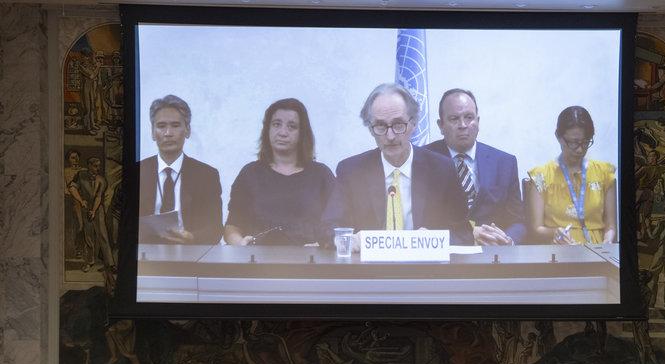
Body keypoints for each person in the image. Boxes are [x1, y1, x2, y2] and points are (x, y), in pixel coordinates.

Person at [322, 83, 472, 250]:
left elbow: (464, 234)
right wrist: (349, 240)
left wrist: (435, 239)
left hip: (424, 265)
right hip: (368, 266)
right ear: (370, 129)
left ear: (414, 124)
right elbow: (327, 229)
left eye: (398, 124)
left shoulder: (441, 169)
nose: (390, 136)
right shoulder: (352, 171)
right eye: (380, 126)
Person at [224, 98, 333, 246]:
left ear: (302, 133)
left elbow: (336, 224)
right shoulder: (249, 174)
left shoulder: (321, 175)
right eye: (276, 124)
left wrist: (324, 245)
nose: (283, 132)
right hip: (257, 259)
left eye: (292, 126)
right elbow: (232, 226)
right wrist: (240, 243)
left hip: (309, 259)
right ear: (267, 129)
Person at [424, 89, 525, 245]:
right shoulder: (423, 161)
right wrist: (468, 235)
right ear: (441, 125)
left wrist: (507, 240)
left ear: (478, 122)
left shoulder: (505, 163)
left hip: (494, 253)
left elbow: (518, 221)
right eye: (454, 119)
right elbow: (420, 223)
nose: (463, 125)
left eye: (469, 117)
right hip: (445, 254)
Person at [139, 95, 223, 245]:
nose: (168, 133)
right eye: (161, 126)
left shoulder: (207, 175)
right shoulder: (136, 172)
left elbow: (215, 229)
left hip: (189, 252)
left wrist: (192, 238)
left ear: (187, 130)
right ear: (152, 132)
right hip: (144, 253)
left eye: (175, 125)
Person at [527, 106, 617, 245]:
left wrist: (608, 241)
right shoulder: (541, 176)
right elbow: (536, 228)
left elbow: (610, 226)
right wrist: (555, 232)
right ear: (559, 137)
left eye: (586, 142)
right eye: (574, 143)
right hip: (560, 249)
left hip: (597, 251)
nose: (580, 149)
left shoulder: (604, 173)